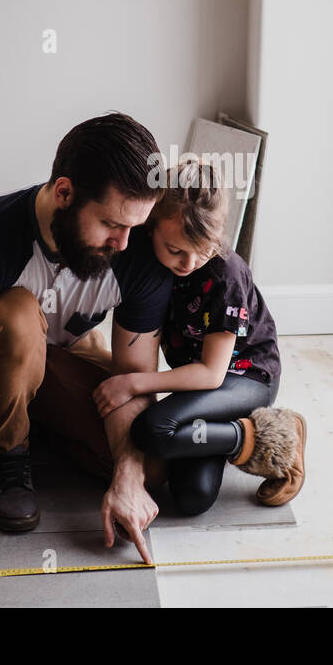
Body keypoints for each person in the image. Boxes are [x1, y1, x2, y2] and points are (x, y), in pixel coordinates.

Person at [0, 112, 175, 580]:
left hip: (64, 358)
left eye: (135, 226)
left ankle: (36, 421)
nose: (125, 242)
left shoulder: (134, 249)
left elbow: (131, 379)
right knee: (18, 316)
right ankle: (5, 450)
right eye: (111, 223)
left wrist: (128, 479)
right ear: (65, 193)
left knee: (152, 466)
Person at [91, 161, 307, 516]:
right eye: (175, 249)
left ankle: (274, 436)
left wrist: (132, 383)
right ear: (151, 227)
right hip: (199, 385)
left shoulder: (227, 275)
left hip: (244, 378)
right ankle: (227, 432)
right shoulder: (144, 259)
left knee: (151, 429)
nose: (188, 262)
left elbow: (211, 374)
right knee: (193, 499)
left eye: (203, 249)